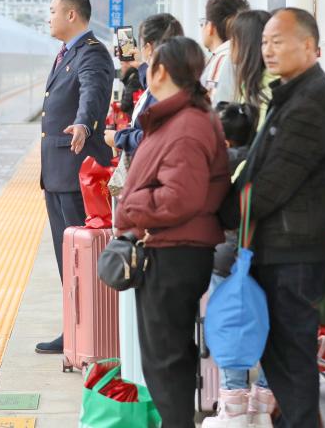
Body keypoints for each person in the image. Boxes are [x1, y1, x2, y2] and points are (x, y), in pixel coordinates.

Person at [233, 8, 325, 428]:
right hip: (281, 246)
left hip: (293, 250)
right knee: (280, 355)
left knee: (292, 356)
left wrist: (227, 207)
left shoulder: (310, 101)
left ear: (308, 45)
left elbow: (273, 183)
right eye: (265, 42)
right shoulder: (292, 94)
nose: (268, 50)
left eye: (277, 41)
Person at [114, 36, 231, 428]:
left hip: (174, 252)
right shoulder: (180, 118)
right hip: (172, 248)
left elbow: (180, 197)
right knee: (167, 356)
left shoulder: (186, 126)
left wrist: (131, 205)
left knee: (165, 359)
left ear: (161, 71)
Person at [205, 9, 278, 428]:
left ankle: (235, 408)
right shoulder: (272, 89)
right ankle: (259, 407)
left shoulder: (256, 87)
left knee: (231, 313)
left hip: (242, 223)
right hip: (261, 224)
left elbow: (252, 161)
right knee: (263, 313)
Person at [36, 0, 114, 355]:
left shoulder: (91, 52)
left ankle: (88, 331)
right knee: (66, 256)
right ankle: (74, 328)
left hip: (74, 170)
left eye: (53, 11)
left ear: (71, 14)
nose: (48, 18)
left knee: (79, 257)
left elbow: (91, 91)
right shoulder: (67, 52)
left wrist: (83, 123)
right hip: (57, 172)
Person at [106, 14, 184, 159]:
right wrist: (141, 65)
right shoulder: (176, 79)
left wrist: (118, 138)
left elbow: (152, 140)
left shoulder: (165, 90)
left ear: (148, 48)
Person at [201, 0, 250, 106]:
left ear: (210, 26)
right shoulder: (243, 54)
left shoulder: (222, 59)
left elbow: (212, 106)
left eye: (203, 23)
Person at [118, 57, 142, 122]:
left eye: (122, 64)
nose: (121, 68)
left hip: (134, 119)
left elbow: (125, 105)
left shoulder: (133, 79)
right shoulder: (133, 77)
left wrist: (120, 105)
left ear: (128, 64)